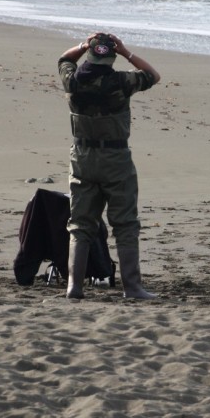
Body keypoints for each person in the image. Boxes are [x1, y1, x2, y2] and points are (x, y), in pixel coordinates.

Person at [58, 32, 161, 300]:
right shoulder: (122, 81)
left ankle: (74, 286)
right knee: (125, 224)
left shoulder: (73, 81)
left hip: (82, 156)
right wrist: (126, 52)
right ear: (111, 57)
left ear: (90, 54)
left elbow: (65, 59)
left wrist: (83, 44)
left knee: (80, 224)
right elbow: (153, 75)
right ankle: (133, 287)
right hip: (115, 158)